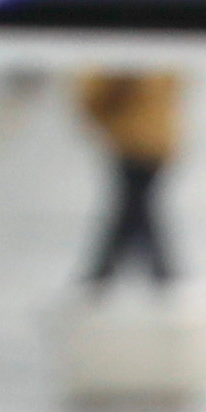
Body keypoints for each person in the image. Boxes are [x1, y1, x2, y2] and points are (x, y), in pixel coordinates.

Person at [73, 67, 184, 291]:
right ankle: (161, 276)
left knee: (134, 210)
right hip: (151, 139)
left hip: (136, 141)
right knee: (135, 210)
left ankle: (101, 277)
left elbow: (97, 95)